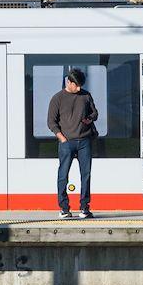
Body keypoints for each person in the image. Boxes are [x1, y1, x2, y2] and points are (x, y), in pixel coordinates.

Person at [47, 68, 98, 219]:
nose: (79, 88)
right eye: (76, 85)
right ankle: (64, 209)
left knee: (86, 175)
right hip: (66, 142)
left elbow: (95, 113)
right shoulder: (57, 98)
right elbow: (51, 122)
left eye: (80, 85)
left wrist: (90, 118)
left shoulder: (86, 95)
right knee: (63, 175)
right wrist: (62, 138)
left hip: (84, 141)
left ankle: (84, 208)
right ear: (68, 82)